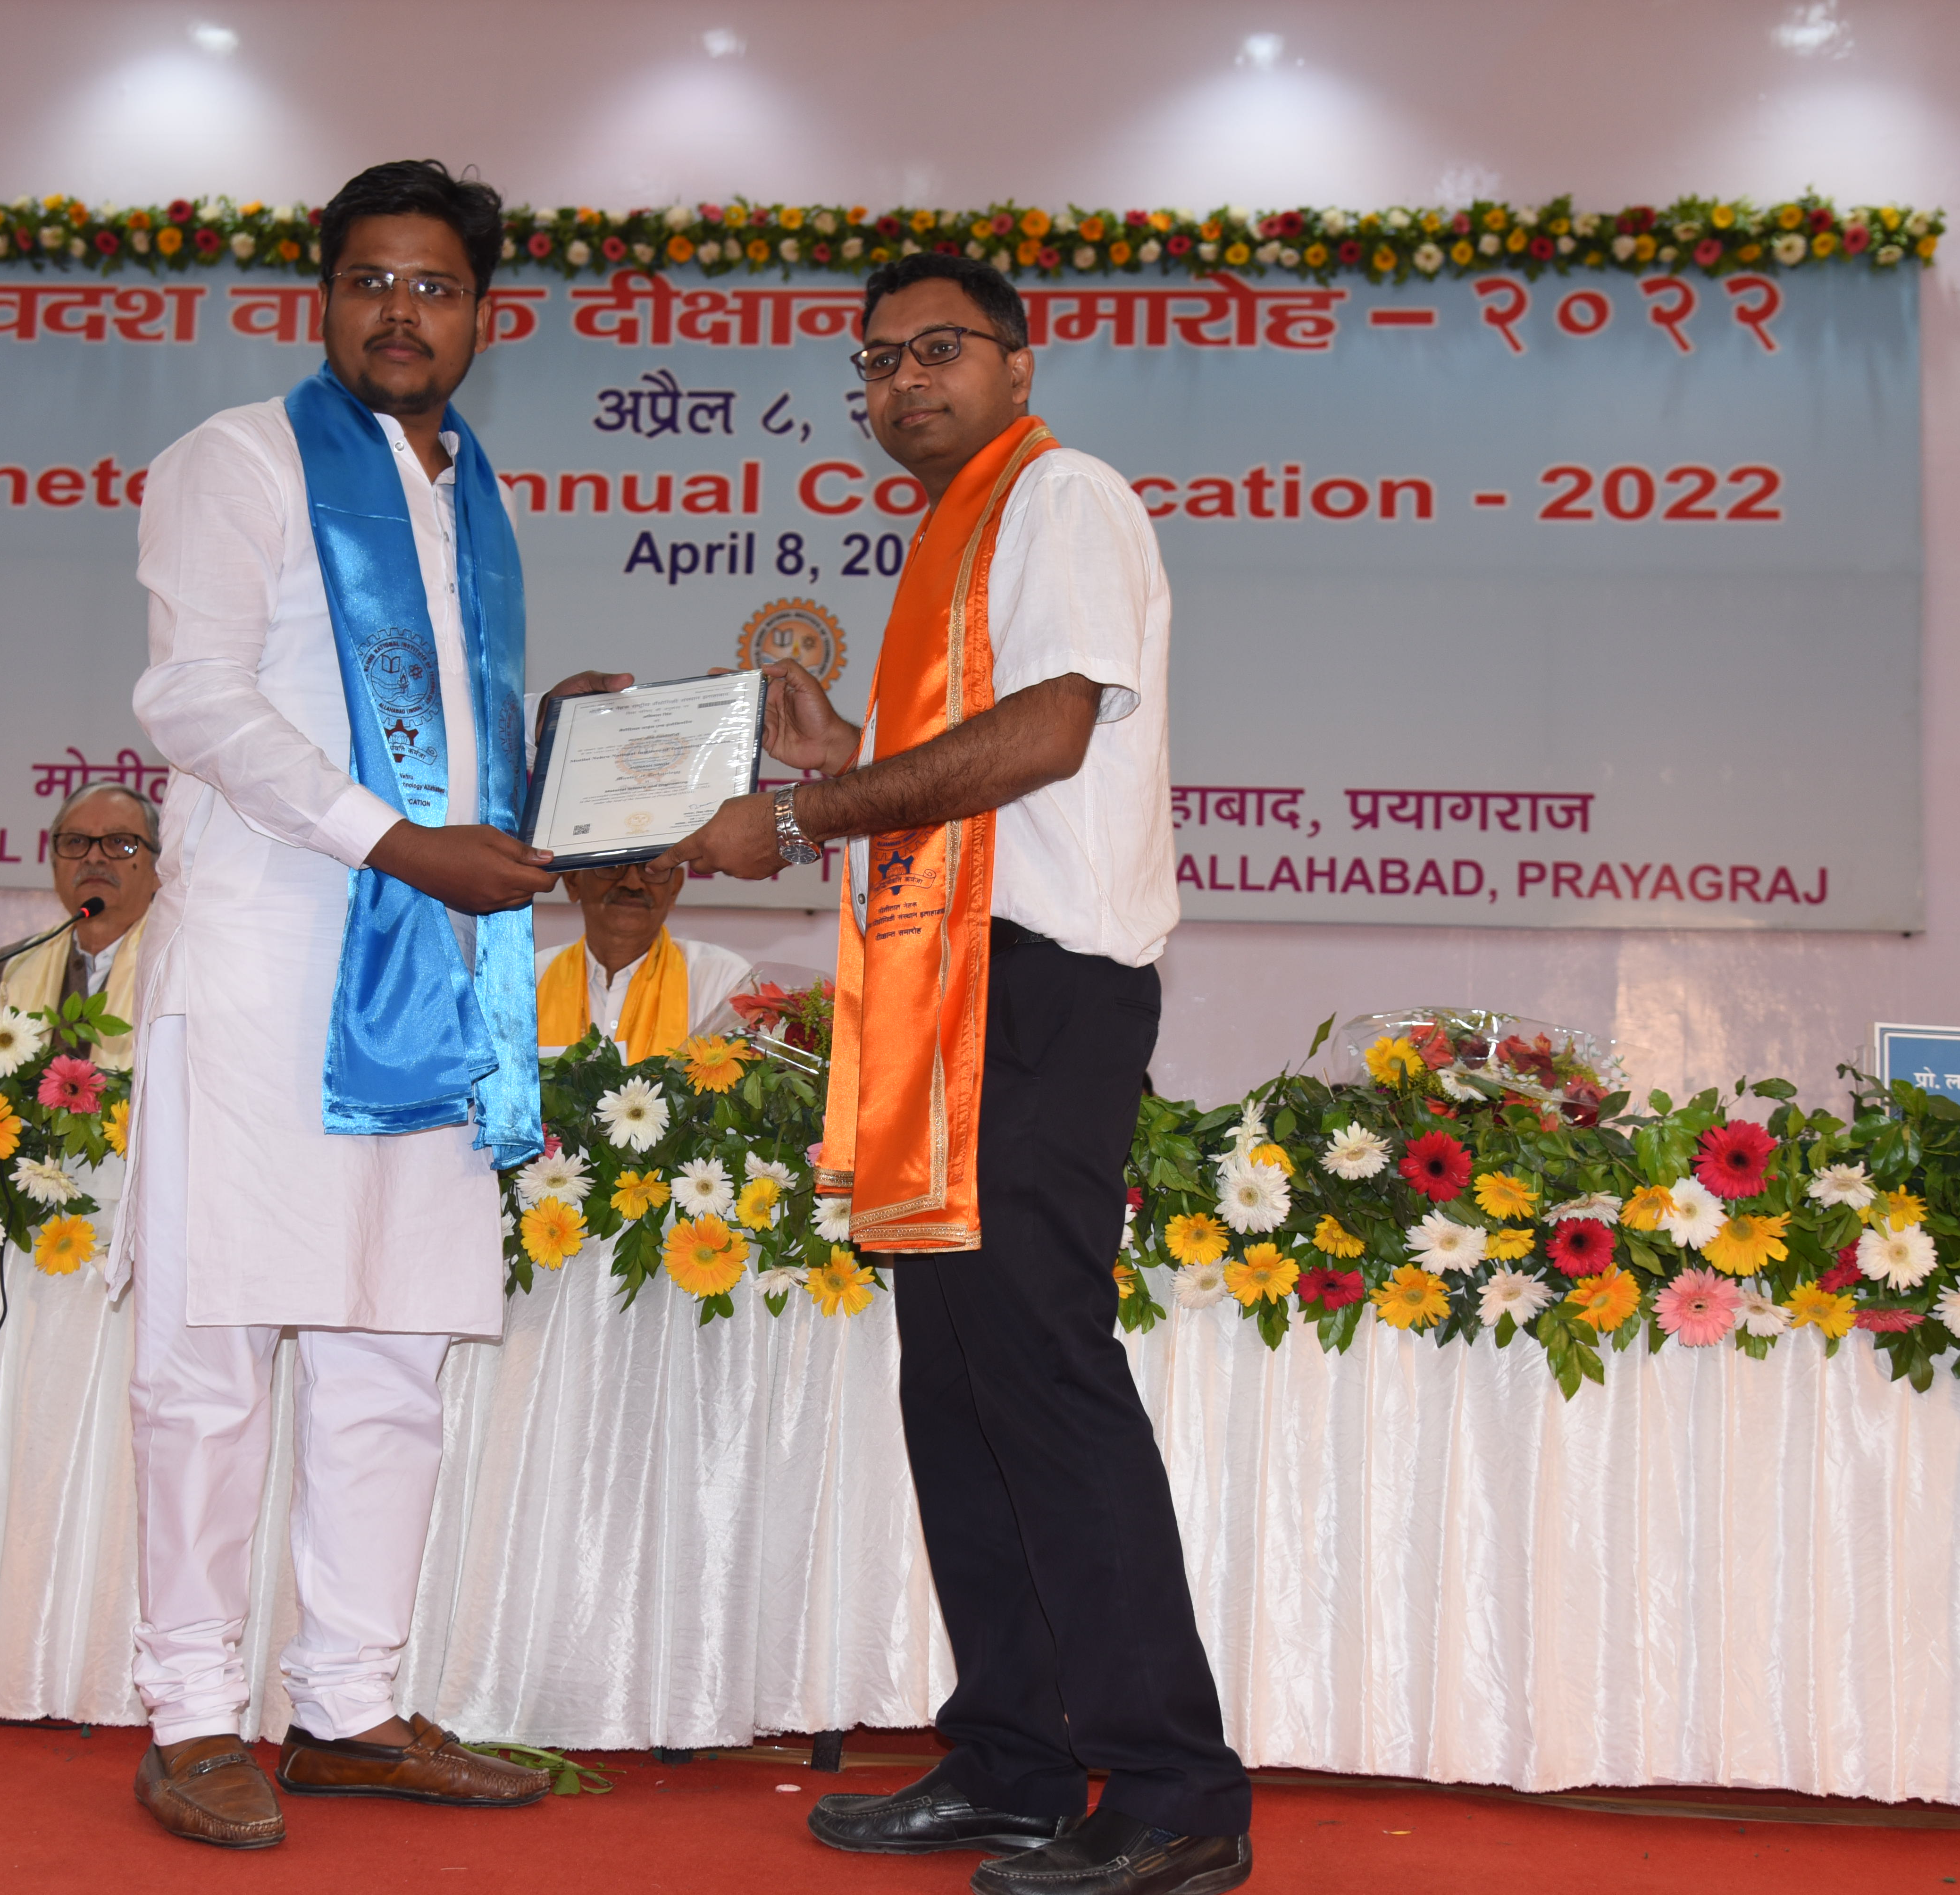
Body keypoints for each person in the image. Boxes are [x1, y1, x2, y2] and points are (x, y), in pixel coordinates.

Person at [661, 254, 1250, 1895]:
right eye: (876, 360)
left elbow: (1045, 736)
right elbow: (975, 781)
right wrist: (842, 754)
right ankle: (1011, 1759)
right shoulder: (953, 536)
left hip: (1039, 992)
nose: (902, 381)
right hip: (952, 988)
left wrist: (795, 817)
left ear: (1018, 362)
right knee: (960, 1387)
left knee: (1039, 1376)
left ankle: (1171, 1789)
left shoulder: (1061, 497)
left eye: (939, 349)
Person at [121, 158, 631, 1851]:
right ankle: (191, 1713)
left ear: (485, 316)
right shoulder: (239, 461)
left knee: (389, 1352)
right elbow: (193, 700)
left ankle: (347, 1704)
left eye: (434, 288)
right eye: (370, 283)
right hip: (265, 968)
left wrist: (558, 744)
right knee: (211, 1357)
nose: (401, 314)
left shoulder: (469, 492)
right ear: (321, 298)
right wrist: (399, 843)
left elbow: (432, 745)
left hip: (426, 977)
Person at [0, 782, 159, 1066]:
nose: (94, 857)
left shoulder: (184, 967)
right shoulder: (8, 972)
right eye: (75, 842)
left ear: (159, 870)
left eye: (119, 842)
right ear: (54, 868)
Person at [534, 857, 756, 1059]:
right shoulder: (530, 978)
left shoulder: (724, 983)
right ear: (573, 881)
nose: (633, 884)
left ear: (675, 888)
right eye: (612, 865)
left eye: (652, 868)